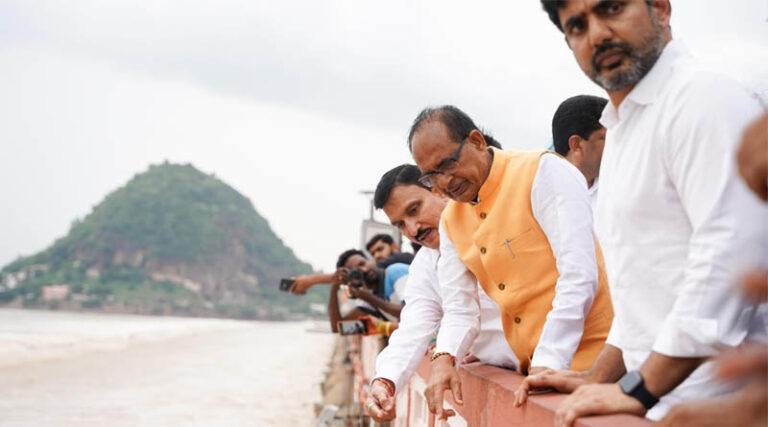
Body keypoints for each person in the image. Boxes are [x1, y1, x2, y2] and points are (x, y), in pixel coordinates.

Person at [519, 1, 767, 424]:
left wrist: (640, 387)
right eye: (577, 26)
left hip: (727, 406)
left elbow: (732, 259)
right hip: (661, 406)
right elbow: (648, 288)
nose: (596, 35)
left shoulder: (703, 97)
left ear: (660, 8)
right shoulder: (621, 131)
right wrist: (599, 377)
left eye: (611, 8)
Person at [408, 105, 614, 420]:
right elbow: (461, 309)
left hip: (599, 368)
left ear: (476, 141)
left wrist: (548, 363)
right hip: (532, 374)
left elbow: (579, 276)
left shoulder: (543, 172)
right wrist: (443, 358)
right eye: (431, 176)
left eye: (448, 164)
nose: (445, 182)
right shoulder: (451, 220)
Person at [366, 164, 518, 423]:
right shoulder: (426, 264)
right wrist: (385, 381)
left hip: (554, 368)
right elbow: (414, 326)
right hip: (506, 380)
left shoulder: (497, 224)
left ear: (439, 190)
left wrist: (444, 355)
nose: (413, 229)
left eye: (414, 210)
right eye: (401, 225)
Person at [326, 249, 409, 332]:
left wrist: (369, 298)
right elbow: (339, 329)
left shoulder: (395, 271)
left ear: (370, 260)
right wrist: (334, 289)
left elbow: (410, 312)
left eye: (363, 263)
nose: (364, 270)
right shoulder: (367, 298)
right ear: (351, 280)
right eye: (357, 272)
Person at [551, 95, 608, 209]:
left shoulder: (622, 190)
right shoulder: (541, 196)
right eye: (607, 138)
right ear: (576, 144)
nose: (615, 145)